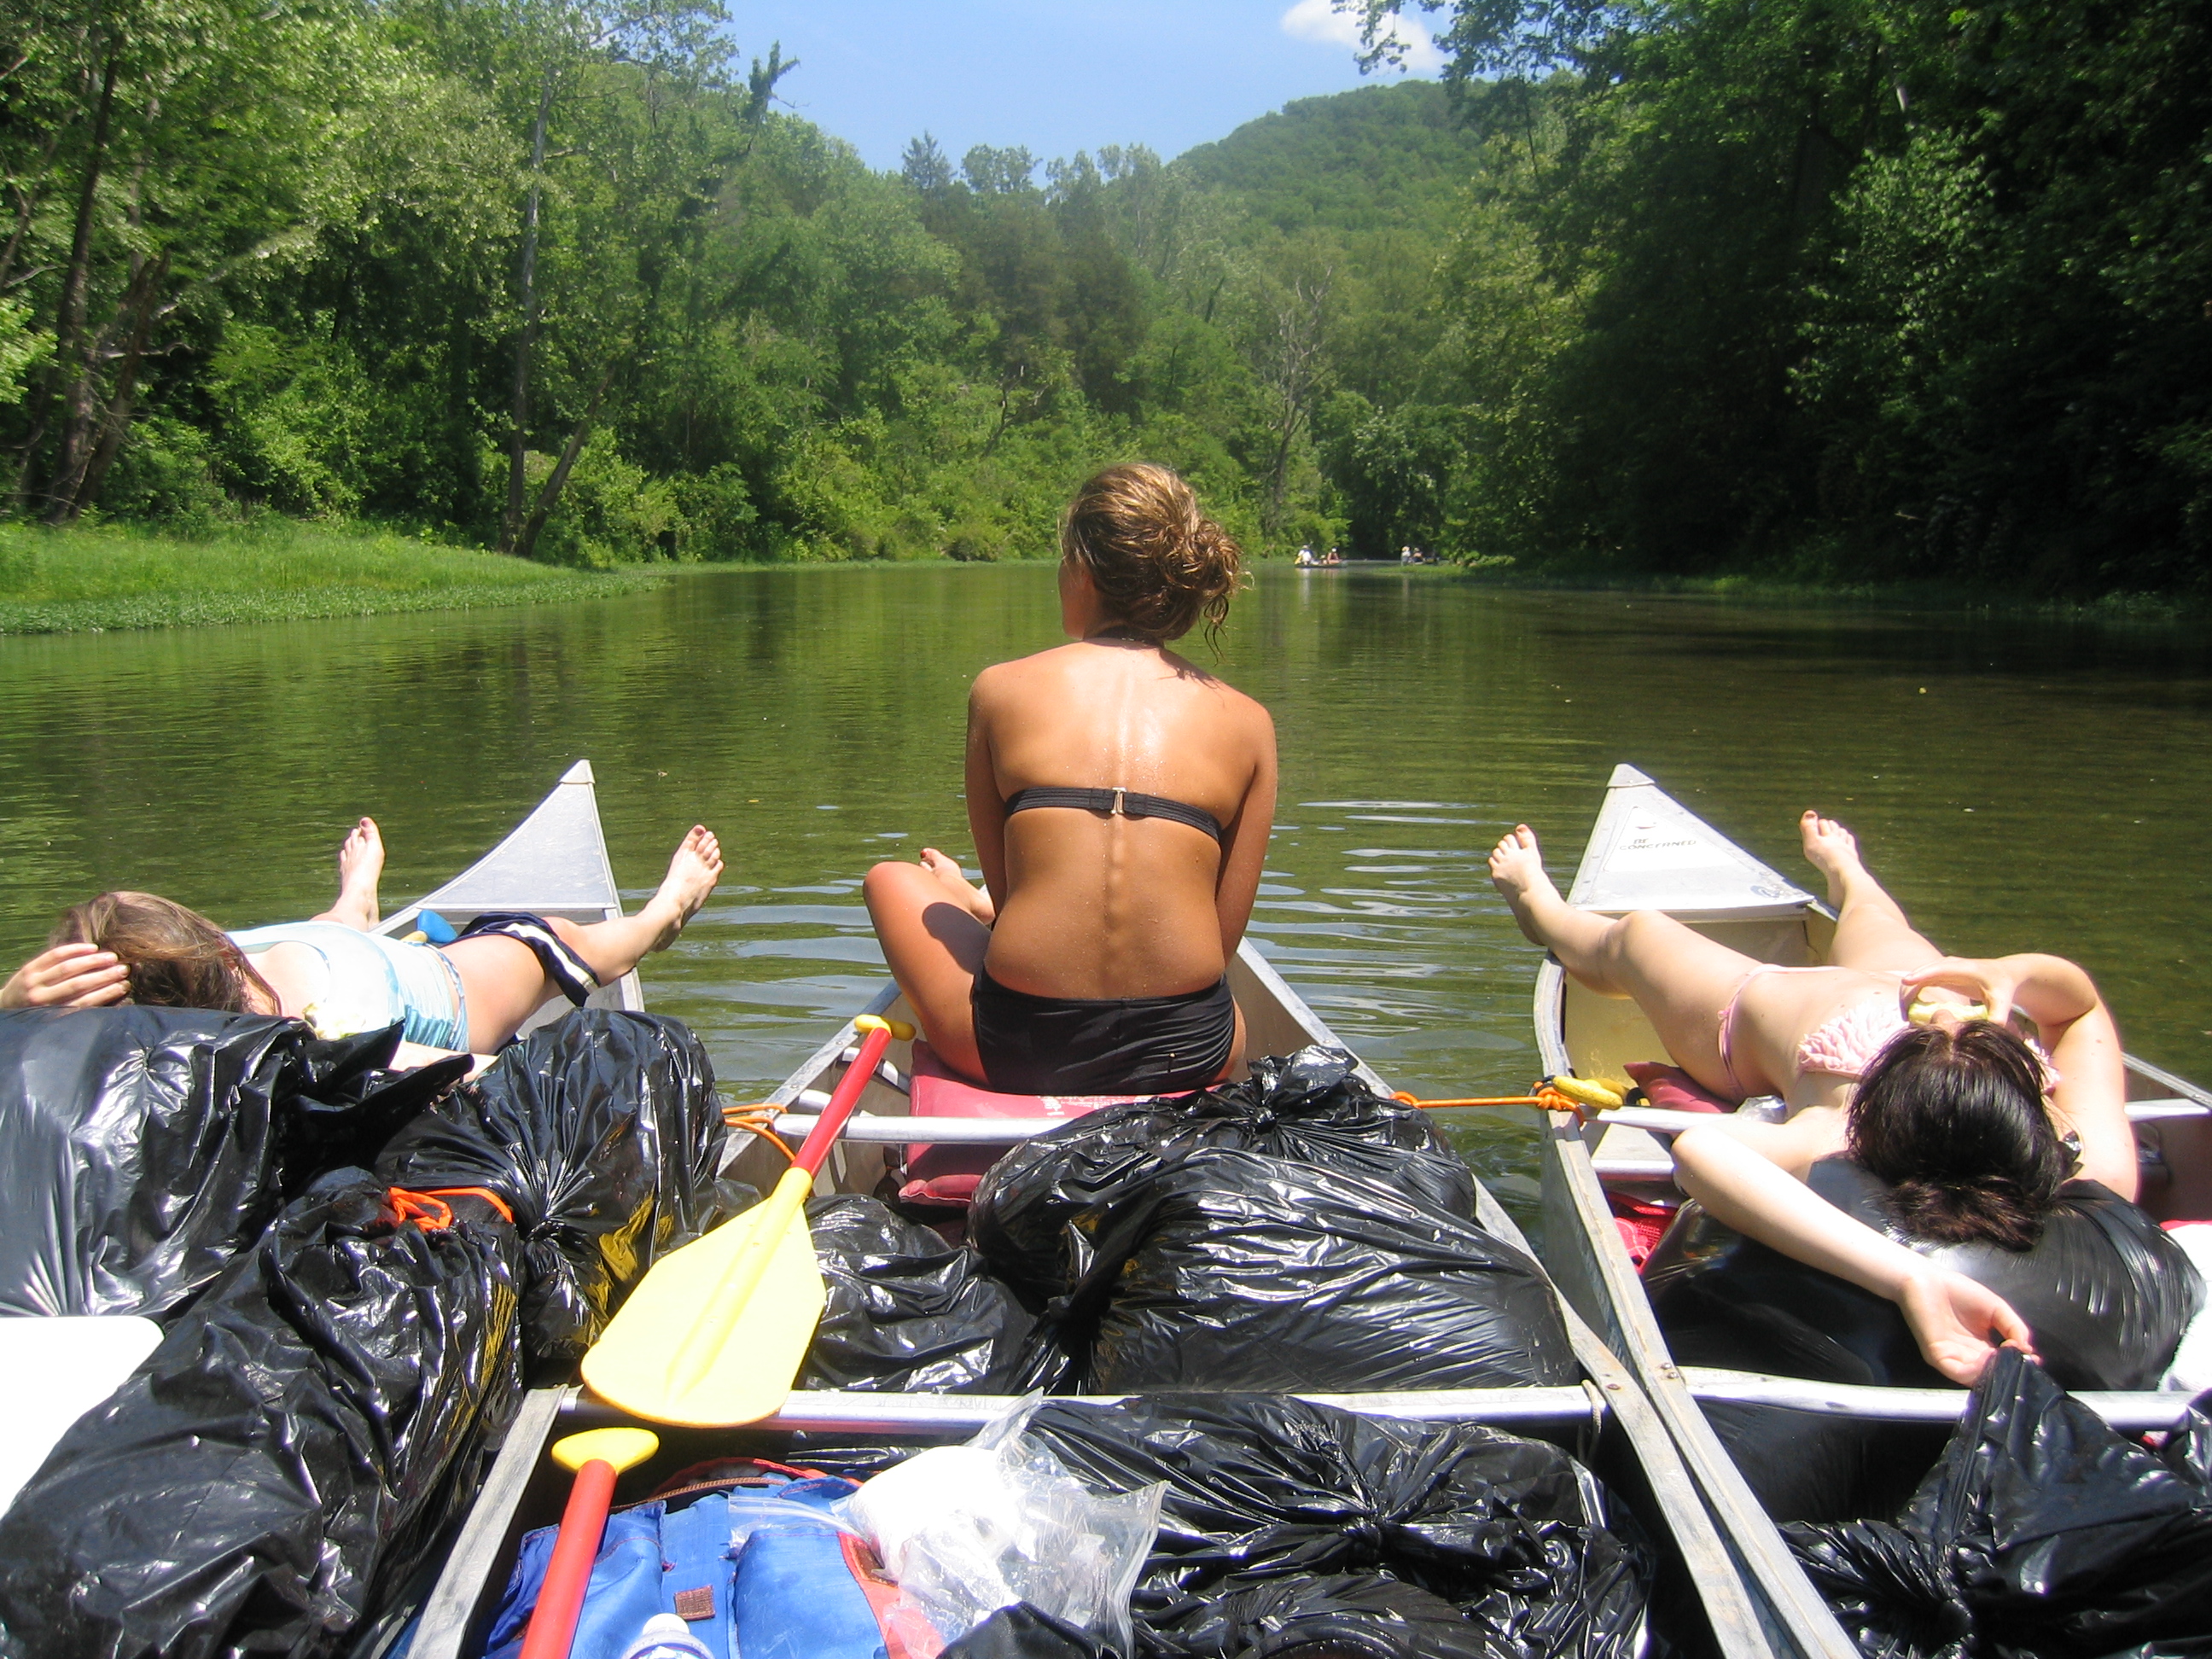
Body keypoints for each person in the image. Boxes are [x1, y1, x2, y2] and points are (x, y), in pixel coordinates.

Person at [1487, 810, 2142, 1384]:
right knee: (1876, 920)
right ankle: (1848, 876)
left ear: (1879, 1102)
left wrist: (1908, 1277)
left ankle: (1538, 905)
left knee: (1637, 935)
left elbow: (1703, 1151)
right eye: (1972, 1026)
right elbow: (2079, 1006)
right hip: (1910, 975)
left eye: (1932, 1032)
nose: (1942, 1016)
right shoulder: (2078, 1146)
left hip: (1757, 1018)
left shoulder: (1839, 1132)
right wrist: (2009, 973)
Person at [863, 463, 1276, 1096]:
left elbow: (1011, 894)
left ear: (1082, 570)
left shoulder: (1000, 690)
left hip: (1018, 1049)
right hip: (1191, 1050)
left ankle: (964, 902)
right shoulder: (1250, 723)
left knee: (889, 879)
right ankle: (971, 903)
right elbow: (1220, 946)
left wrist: (987, 908)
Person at [1, 817, 724, 1064]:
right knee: (552, 938)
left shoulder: (225, 996)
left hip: (336, 965)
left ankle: (354, 906)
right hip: (417, 983)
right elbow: (457, 1077)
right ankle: (662, 915)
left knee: (326, 937)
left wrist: (13, 1012)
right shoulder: (314, 1035)